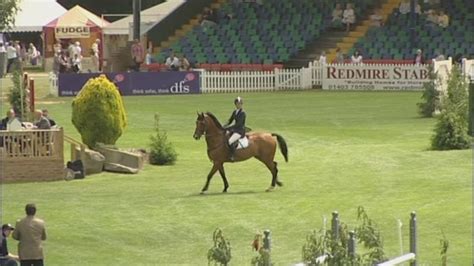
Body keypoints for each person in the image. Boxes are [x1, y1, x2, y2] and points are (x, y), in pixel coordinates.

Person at [223, 97, 246, 161]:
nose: (239, 105)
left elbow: (238, 124)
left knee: (230, 141)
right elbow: (230, 120)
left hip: (240, 131)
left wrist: (229, 128)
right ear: (235, 104)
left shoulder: (243, 113)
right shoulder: (235, 112)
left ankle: (232, 155)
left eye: (240, 104)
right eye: (237, 104)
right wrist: (224, 126)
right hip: (235, 130)